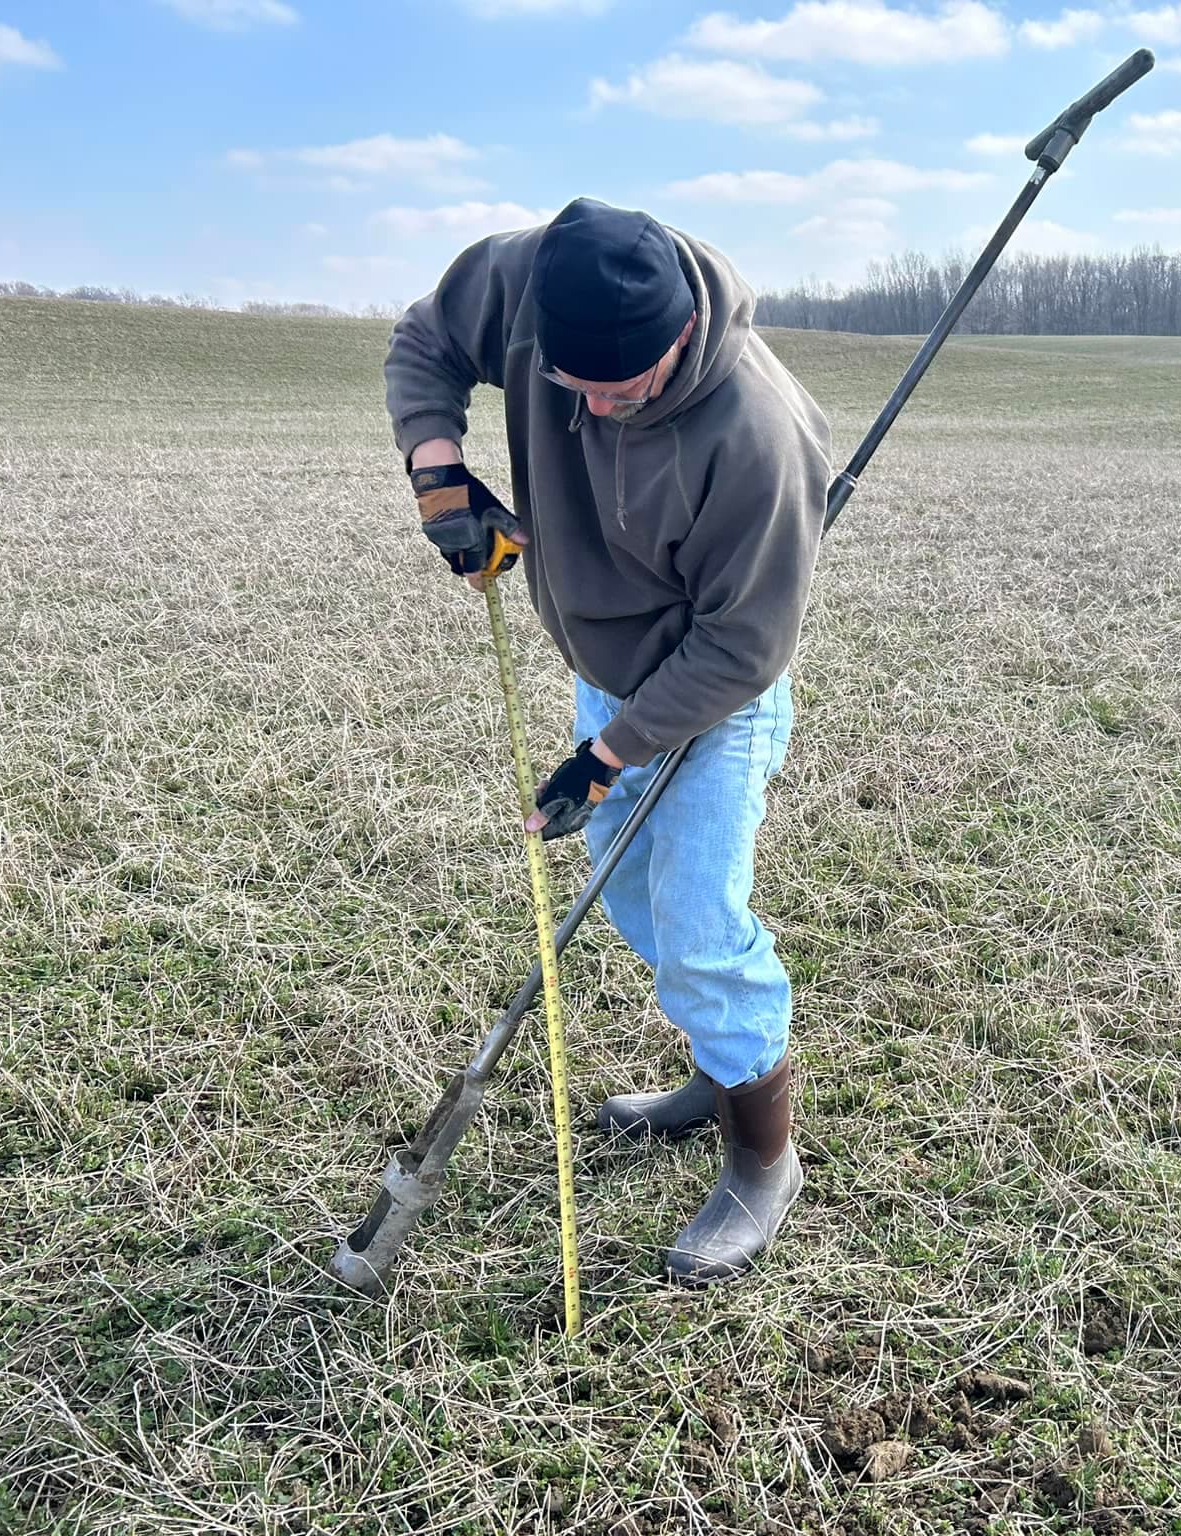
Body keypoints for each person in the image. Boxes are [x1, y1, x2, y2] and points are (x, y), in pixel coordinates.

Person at [383, 197, 832, 1286]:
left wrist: (605, 756)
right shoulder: (532, 282)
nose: (589, 409)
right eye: (568, 388)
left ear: (678, 337)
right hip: (604, 672)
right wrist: (439, 472)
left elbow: (740, 645)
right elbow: (423, 340)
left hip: (709, 691)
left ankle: (762, 1159)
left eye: (617, 391)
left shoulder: (756, 437)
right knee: (629, 898)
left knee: (696, 921)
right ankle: (712, 1070)